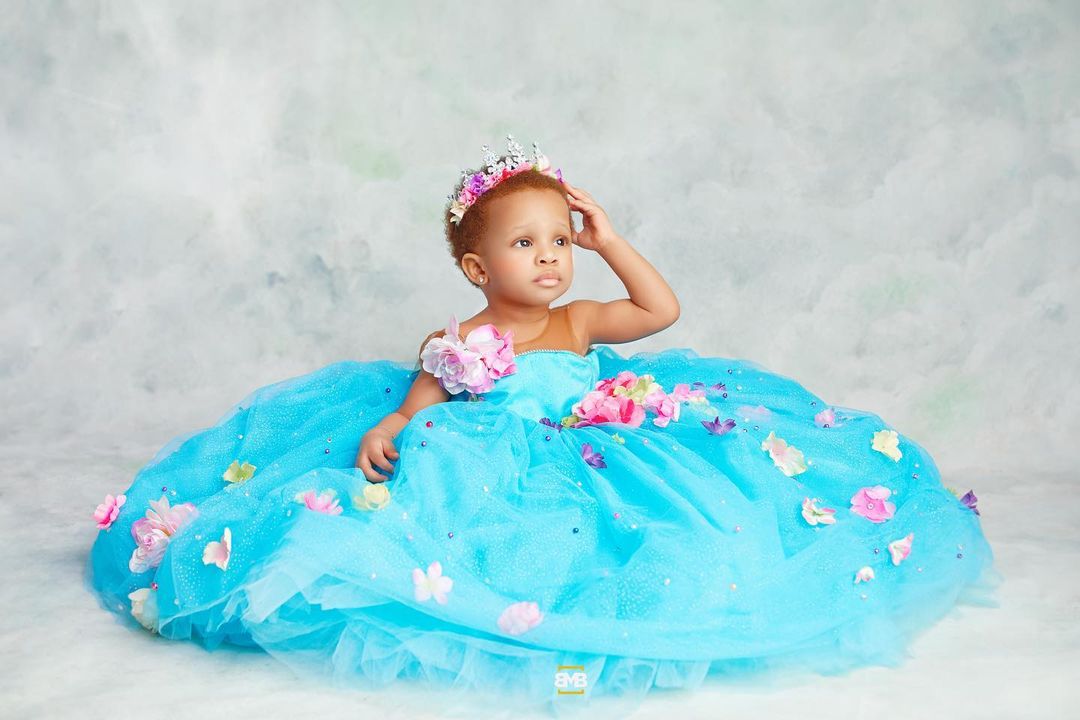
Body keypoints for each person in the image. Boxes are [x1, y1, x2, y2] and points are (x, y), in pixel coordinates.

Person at [86, 134, 1001, 716]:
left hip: (602, 446)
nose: (551, 259)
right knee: (494, 538)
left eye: (559, 241)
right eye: (527, 244)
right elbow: (419, 402)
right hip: (502, 465)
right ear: (478, 268)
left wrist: (610, 239)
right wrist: (390, 428)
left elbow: (662, 310)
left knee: (662, 529)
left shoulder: (579, 320)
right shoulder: (461, 342)